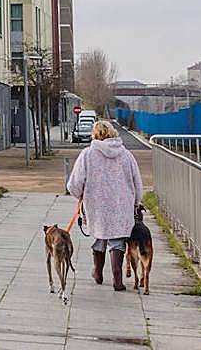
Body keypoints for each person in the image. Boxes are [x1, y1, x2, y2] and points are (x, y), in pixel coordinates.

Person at [66, 120, 143, 291]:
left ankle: (98, 272)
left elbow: (74, 184)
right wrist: (136, 201)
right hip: (121, 204)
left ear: (95, 135)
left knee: (100, 234)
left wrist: (80, 196)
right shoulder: (126, 155)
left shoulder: (87, 154)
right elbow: (137, 181)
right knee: (117, 239)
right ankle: (117, 278)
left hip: (96, 204)